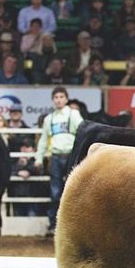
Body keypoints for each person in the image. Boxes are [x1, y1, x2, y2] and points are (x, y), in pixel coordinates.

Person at [34, 86, 84, 237]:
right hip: (55, 157)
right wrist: (38, 158)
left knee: (72, 192)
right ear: (53, 100)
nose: (59, 100)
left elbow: (82, 133)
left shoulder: (74, 115)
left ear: (66, 99)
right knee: (55, 193)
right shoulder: (49, 119)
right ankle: (54, 225)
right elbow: (43, 140)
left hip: (71, 156)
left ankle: (73, 227)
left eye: (61, 97)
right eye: (56, 97)